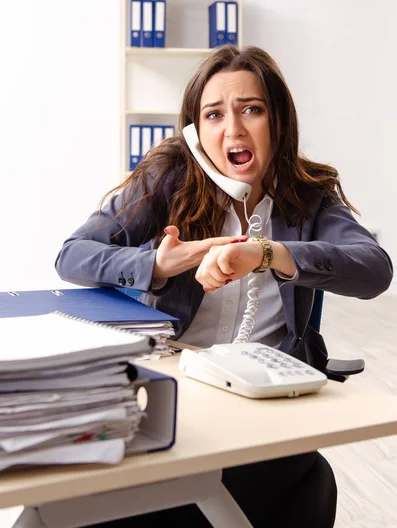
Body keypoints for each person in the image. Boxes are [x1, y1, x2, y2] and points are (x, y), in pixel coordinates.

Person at [55, 45, 393, 528]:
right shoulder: (168, 178)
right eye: (213, 115)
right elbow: (73, 255)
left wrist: (268, 253)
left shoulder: (308, 194)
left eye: (250, 109)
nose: (232, 129)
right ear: (195, 133)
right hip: (177, 392)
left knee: (304, 481)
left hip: (267, 401)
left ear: (277, 120)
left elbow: (373, 268)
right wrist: (158, 263)